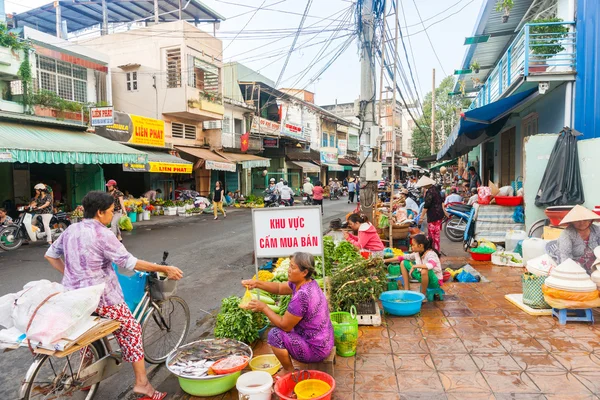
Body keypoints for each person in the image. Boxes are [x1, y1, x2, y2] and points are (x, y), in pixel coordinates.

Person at [45, 191, 183, 400]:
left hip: (73, 297)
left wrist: (73, 275)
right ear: (100, 213)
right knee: (132, 329)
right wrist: (165, 269)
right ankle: (142, 384)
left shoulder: (72, 229)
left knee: (85, 332)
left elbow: (50, 255)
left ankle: (85, 372)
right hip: (101, 298)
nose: (112, 215)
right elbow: (129, 262)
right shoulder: (102, 234)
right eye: (110, 211)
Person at [241, 252, 334, 374]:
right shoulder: (309, 283)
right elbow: (279, 288)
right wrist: (257, 284)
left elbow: (285, 325)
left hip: (316, 349)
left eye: (293, 267)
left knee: (275, 335)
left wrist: (264, 307)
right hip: (324, 341)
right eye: (289, 266)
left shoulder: (302, 296)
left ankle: (290, 372)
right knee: (286, 329)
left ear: (304, 272)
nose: (289, 270)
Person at [384, 234, 443, 299]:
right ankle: (407, 290)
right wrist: (385, 260)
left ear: (420, 245)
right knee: (403, 263)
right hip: (423, 277)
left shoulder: (431, 254)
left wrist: (415, 266)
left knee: (424, 270)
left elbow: (430, 265)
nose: (411, 247)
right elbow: (402, 257)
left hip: (435, 281)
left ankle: (422, 296)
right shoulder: (417, 253)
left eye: (413, 245)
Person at [553, 205, 600, 274]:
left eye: (585, 220)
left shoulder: (596, 230)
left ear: (590, 220)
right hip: (576, 269)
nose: (582, 223)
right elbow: (565, 258)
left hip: (596, 266)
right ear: (572, 222)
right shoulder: (567, 234)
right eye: (578, 221)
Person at [417, 176, 446, 252]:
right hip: (439, 214)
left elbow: (426, 205)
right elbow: (441, 200)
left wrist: (421, 217)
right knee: (436, 235)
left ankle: (433, 251)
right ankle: (437, 250)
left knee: (432, 236)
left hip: (433, 215)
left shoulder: (429, 192)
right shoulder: (436, 189)